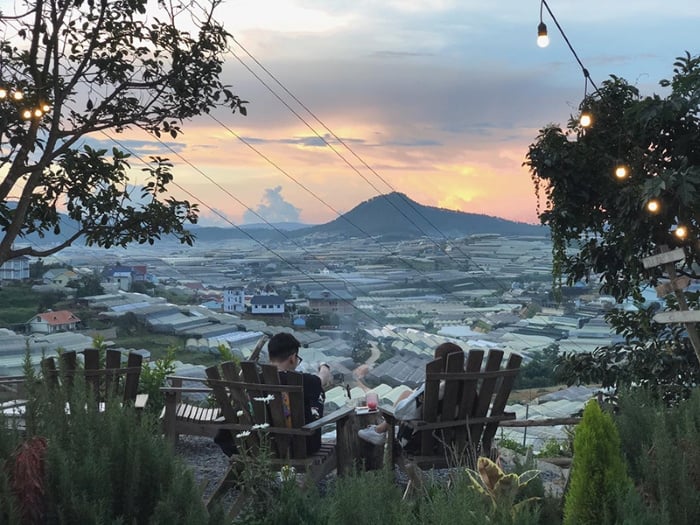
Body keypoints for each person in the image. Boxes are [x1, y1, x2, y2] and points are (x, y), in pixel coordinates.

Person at [214, 332, 331, 456]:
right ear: (292, 358)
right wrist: (324, 366)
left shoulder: (254, 382)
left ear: (270, 357)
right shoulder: (306, 381)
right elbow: (322, 379)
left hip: (260, 446)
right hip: (302, 448)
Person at [357, 342, 463, 447]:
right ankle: (381, 429)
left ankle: (380, 430)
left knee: (407, 398)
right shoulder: (469, 386)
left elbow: (400, 412)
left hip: (424, 441)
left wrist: (419, 391)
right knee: (407, 393)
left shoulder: (438, 389)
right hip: (457, 440)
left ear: (439, 363)